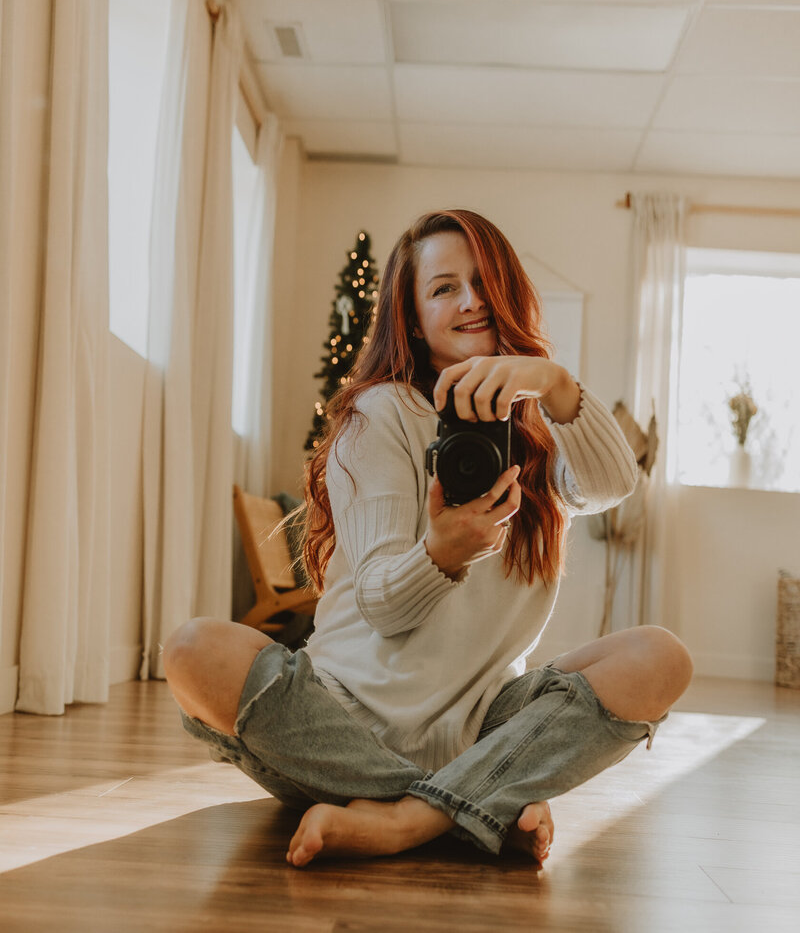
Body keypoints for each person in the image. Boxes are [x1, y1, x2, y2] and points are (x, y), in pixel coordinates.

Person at [164, 209, 693, 869]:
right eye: (444, 287)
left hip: (480, 725)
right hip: (339, 724)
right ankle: (479, 800)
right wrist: (442, 553)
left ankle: (405, 820)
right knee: (193, 650)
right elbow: (385, 608)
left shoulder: (532, 432)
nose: (471, 300)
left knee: (661, 657)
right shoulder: (378, 413)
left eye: (483, 281)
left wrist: (553, 381)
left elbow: (615, 482)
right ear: (413, 317)